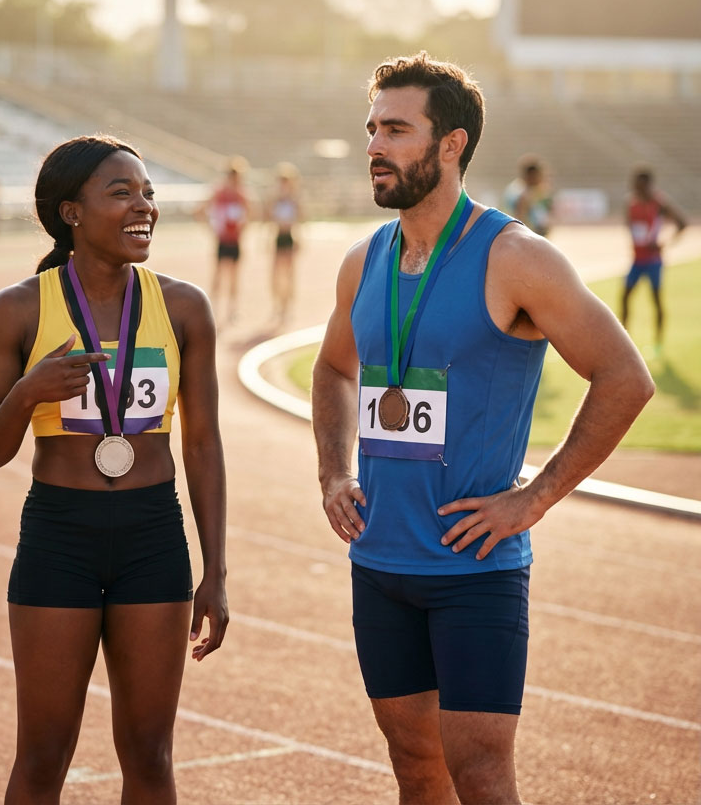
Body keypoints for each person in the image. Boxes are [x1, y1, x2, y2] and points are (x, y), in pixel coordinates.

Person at [311, 52, 653, 805]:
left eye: (396, 130)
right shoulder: (364, 260)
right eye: (371, 128)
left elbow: (626, 377)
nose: (374, 145)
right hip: (380, 561)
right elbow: (335, 369)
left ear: (451, 144)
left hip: (474, 571)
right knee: (413, 765)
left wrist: (534, 499)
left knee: (482, 775)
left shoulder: (517, 258)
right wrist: (334, 472)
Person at [0, 135, 228, 803]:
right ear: (71, 212)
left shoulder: (183, 307)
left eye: (148, 193)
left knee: (150, 754)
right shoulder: (18, 309)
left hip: (152, 535)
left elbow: (202, 446)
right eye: (121, 193)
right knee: (44, 755)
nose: (142, 206)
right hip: (60, 535)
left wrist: (215, 572)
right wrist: (28, 391)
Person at [620, 166, 688, 354]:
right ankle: (624, 341)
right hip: (636, 260)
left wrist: (664, 243)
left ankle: (658, 344)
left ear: (649, 185)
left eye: (642, 186)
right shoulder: (630, 202)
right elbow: (630, 224)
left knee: (656, 299)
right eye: (636, 185)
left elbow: (682, 223)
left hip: (653, 261)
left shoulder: (658, 203)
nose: (638, 189)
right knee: (625, 297)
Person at [201, 156, 251, 324]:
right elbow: (200, 210)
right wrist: (212, 229)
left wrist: (242, 228)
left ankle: (232, 310)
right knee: (218, 275)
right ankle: (213, 308)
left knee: (234, 277)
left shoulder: (241, 194)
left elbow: (252, 213)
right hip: (222, 240)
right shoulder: (219, 192)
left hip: (235, 240)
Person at [268, 161, 303, 324]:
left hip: (289, 238)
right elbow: (268, 220)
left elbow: (300, 221)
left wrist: (300, 240)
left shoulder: (294, 200)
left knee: (289, 275)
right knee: (275, 275)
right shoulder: (274, 200)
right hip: (278, 238)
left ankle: (287, 306)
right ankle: (276, 305)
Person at [502, 156, 553, 237]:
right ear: (532, 175)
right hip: (526, 236)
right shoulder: (522, 194)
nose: (542, 179)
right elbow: (520, 219)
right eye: (540, 175)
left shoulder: (520, 188)